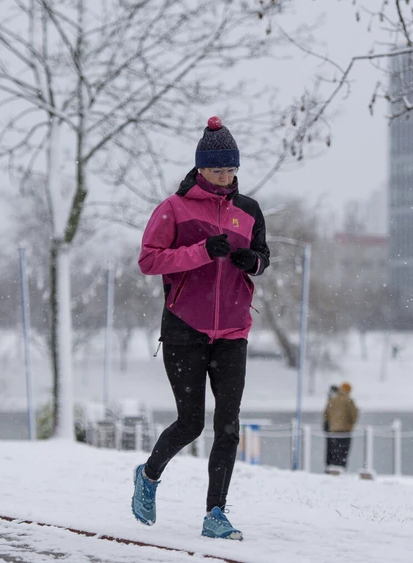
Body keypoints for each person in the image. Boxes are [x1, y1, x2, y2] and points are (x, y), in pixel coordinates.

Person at [131, 116, 270, 541]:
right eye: (217, 170)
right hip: (184, 330)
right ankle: (149, 474)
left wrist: (254, 263)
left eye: (231, 170)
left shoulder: (248, 210)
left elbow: (263, 255)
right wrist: (201, 252)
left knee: (228, 425)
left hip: (232, 330)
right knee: (190, 423)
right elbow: (149, 260)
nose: (225, 177)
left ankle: (215, 513)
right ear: (200, 168)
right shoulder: (174, 208)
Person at [323, 382, 359, 475]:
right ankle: (340, 473)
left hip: (332, 432)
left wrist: (332, 425)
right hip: (345, 433)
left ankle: (330, 472)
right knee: (342, 455)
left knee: (332, 454)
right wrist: (349, 424)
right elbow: (354, 416)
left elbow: (326, 415)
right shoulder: (349, 401)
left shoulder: (332, 400)